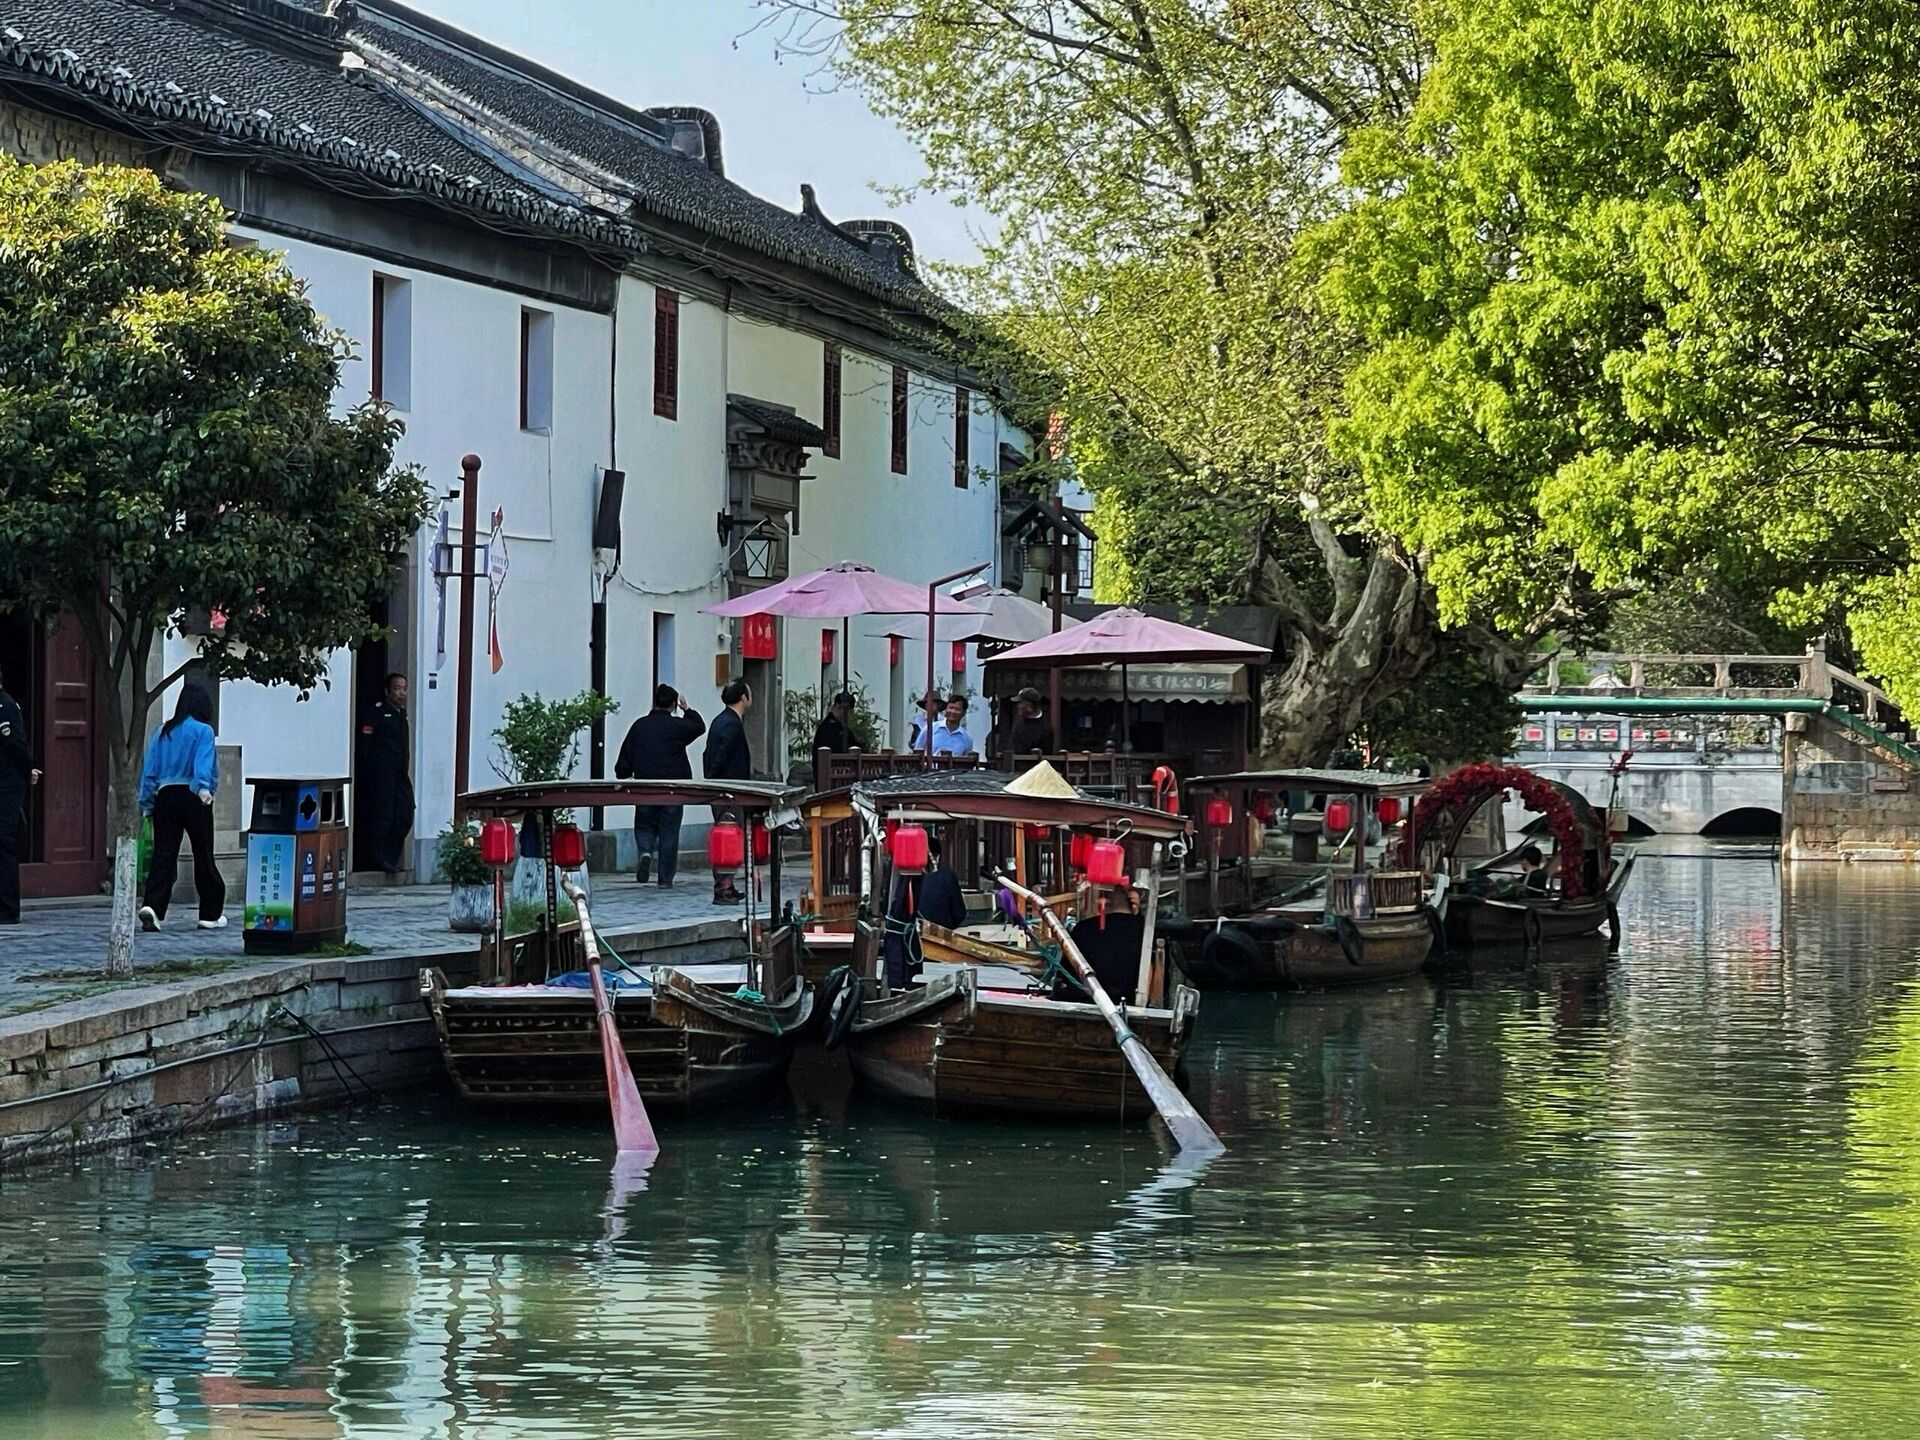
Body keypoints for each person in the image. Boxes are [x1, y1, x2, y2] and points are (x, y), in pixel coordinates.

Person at [137, 686, 225, 931]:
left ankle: (153, 907)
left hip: (164, 796)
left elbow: (149, 772)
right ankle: (209, 913)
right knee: (203, 854)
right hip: (193, 796)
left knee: (164, 854)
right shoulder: (203, 730)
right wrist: (204, 790)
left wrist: (146, 803)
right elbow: (202, 764)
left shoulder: (162, 732)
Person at [614, 683, 705, 886]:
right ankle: (665, 879)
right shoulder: (677, 726)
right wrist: (687, 710)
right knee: (669, 832)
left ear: (655, 702)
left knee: (645, 825)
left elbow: (625, 758)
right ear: (673, 705)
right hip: (673, 788)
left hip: (645, 786)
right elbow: (699, 727)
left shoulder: (639, 726)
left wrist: (624, 772)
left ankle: (646, 852)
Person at [356, 672, 413, 875]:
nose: (401, 693)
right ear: (388, 691)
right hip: (382, 772)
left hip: (400, 772)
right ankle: (378, 858)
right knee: (384, 814)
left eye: (404, 688)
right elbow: (366, 744)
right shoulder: (379, 712)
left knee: (406, 813)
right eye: (397, 688)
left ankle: (391, 856)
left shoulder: (402, 713)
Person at [702, 678, 752, 904]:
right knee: (728, 837)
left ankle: (728, 885)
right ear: (743, 697)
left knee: (728, 836)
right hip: (728, 789)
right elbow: (720, 756)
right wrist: (718, 780)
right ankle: (722, 888)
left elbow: (707, 755)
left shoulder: (720, 720)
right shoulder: (731, 723)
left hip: (723, 788)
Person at [0, 665, 43, 925]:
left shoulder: (5, 706)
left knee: (4, 844)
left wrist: (28, 768)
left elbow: (15, 743)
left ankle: (7, 907)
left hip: (6, 785)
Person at [1006, 686, 1055, 757]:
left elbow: (1047, 754)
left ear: (1029, 705)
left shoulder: (1046, 728)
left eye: (1021, 703)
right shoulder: (1018, 724)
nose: (1018, 706)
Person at [812, 691, 857, 756]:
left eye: (846, 709)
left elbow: (854, 745)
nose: (842, 711)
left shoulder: (843, 728)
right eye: (839, 708)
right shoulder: (827, 727)